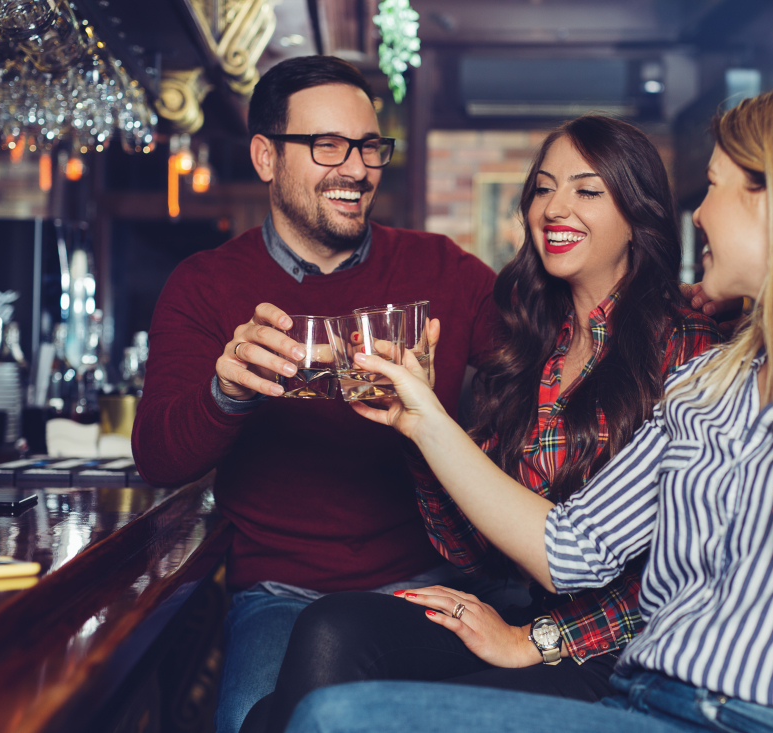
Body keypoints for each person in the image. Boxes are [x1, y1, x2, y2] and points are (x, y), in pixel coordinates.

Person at [283, 83, 773, 733]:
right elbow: (568, 550)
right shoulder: (712, 376)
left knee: (334, 718)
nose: (700, 215)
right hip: (641, 700)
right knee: (317, 704)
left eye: (713, 187)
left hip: (763, 718)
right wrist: (424, 417)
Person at [240, 115, 721, 733]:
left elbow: (686, 568)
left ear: (639, 215)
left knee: (275, 721)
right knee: (330, 629)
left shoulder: (688, 344)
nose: (555, 207)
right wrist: (414, 432)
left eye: (587, 190)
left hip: (618, 651)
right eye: (543, 188)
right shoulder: (529, 344)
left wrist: (538, 638)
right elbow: (479, 550)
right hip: (530, 615)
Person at [130, 55, 506, 733]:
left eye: (368, 146)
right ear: (266, 156)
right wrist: (227, 390)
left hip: (427, 583)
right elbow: (156, 455)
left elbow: (551, 365)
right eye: (327, 145)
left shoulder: (442, 268)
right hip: (283, 591)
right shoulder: (205, 284)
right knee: (255, 719)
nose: (357, 169)